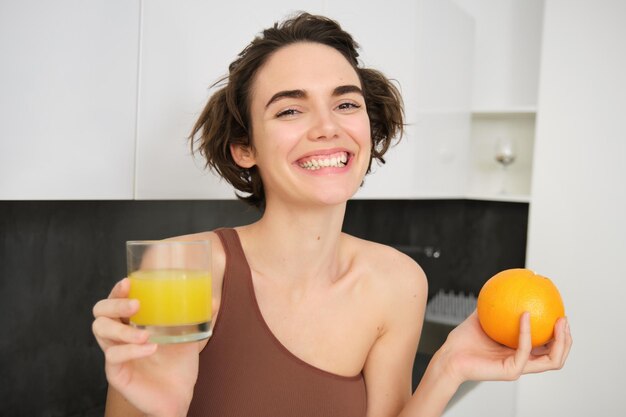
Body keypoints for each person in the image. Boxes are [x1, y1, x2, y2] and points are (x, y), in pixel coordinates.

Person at [92, 12, 572, 417]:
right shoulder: (183, 272)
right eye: (289, 111)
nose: (327, 127)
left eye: (345, 103)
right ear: (244, 147)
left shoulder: (398, 283)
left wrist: (449, 367)